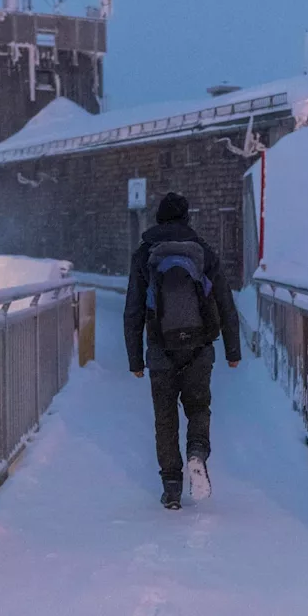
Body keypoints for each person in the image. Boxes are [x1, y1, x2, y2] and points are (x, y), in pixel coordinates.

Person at [124, 192, 241, 510]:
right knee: (198, 409)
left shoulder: (145, 253)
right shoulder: (202, 251)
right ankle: (196, 454)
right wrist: (233, 350)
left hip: (160, 349)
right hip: (199, 348)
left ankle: (172, 488)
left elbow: (133, 309)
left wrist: (135, 358)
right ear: (187, 218)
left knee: (165, 419)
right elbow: (225, 303)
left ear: (159, 219)